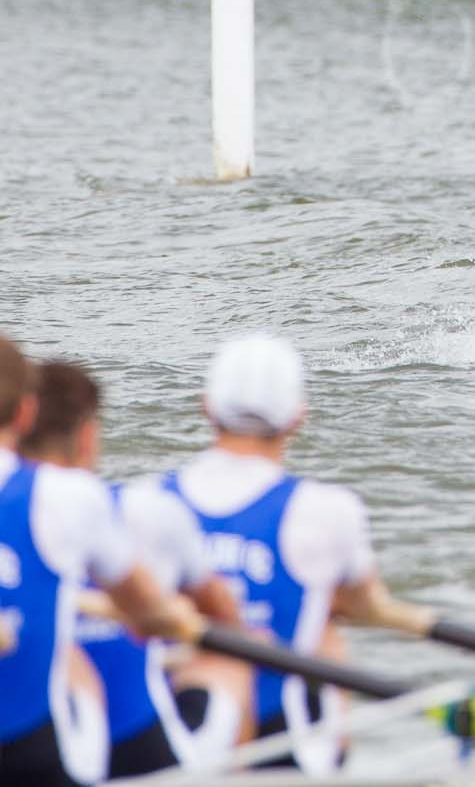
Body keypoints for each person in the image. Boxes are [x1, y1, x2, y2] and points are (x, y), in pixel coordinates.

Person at [164, 335, 427, 776]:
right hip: (282, 742)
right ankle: (330, 759)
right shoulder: (326, 509)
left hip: (175, 735)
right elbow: (365, 604)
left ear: (206, 407)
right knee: (323, 632)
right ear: (297, 417)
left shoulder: (147, 502)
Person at [19, 362, 243, 779]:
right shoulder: (130, 507)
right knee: (231, 659)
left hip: (19, 738)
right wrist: (168, 616)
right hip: (121, 748)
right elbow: (206, 618)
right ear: (87, 436)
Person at [1, 337, 199, 787]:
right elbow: (146, 607)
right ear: (24, 414)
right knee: (81, 671)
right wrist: (174, 619)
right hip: (32, 758)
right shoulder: (67, 497)